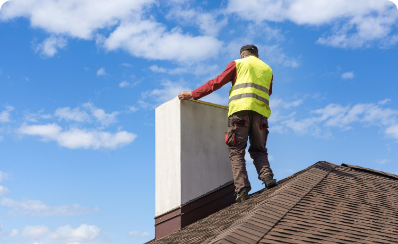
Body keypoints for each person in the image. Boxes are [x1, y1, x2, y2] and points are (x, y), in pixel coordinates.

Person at [178, 44, 276, 202]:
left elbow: (216, 82)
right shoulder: (267, 69)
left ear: (243, 55)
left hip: (239, 113)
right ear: (257, 56)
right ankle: (267, 176)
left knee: (236, 151)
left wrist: (192, 94)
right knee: (259, 149)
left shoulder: (238, 64)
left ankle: (242, 189)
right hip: (261, 115)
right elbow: (268, 92)